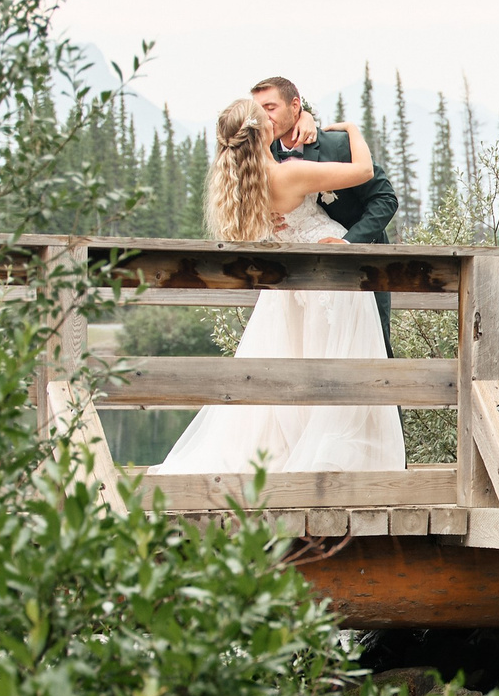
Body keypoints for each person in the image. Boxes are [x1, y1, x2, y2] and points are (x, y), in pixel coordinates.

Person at [155, 97, 407, 475]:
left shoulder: (246, 183)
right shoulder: (289, 175)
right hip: (328, 281)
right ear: (265, 131)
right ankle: (329, 463)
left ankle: (295, 457)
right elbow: (364, 170)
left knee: (294, 365)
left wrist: (305, 115)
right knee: (338, 369)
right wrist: (351, 128)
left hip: (290, 287)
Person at [252, 75, 399, 355]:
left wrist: (347, 243)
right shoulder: (262, 153)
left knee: (372, 350)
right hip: (294, 275)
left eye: (270, 107)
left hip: (360, 265)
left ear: (295, 106)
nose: (263, 116)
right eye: (258, 109)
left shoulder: (337, 146)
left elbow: (385, 199)